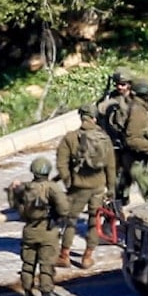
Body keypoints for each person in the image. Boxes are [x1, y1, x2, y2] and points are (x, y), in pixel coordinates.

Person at [54, 103, 116, 269]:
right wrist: (110, 188)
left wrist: (68, 181)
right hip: (98, 186)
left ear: (81, 117)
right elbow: (111, 165)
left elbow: (61, 163)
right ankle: (87, 257)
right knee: (94, 221)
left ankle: (64, 255)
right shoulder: (104, 138)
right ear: (95, 118)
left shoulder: (70, 138)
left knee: (70, 221)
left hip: (78, 187)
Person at [7, 156, 70, 296]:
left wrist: (12, 190)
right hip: (47, 231)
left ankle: (27, 295)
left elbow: (14, 206)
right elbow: (64, 209)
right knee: (46, 265)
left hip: (29, 230)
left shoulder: (25, 188)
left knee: (28, 264)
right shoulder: (52, 188)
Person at [121, 75, 148, 195]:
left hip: (143, 159)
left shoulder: (143, 106)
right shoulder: (137, 110)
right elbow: (132, 140)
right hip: (135, 161)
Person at [97, 66, 133, 197]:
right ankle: (117, 196)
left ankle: (124, 193)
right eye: (118, 84)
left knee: (129, 171)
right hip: (115, 140)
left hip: (130, 139)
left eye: (123, 84)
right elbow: (100, 110)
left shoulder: (135, 98)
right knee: (114, 170)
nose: (120, 87)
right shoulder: (112, 97)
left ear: (129, 84)